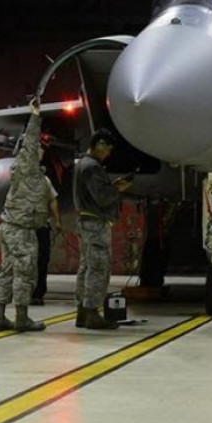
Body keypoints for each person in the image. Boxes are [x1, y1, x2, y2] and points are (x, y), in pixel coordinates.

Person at [0, 98, 55, 332]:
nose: (41, 151)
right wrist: (35, 116)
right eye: (39, 148)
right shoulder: (27, 167)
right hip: (21, 231)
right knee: (24, 274)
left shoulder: (35, 175)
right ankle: (22, 317)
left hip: (11, 228)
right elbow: (30, 142)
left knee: (7, 273)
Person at [73, 128, 132, 329]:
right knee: (98, 268)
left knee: (86, 267)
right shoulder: (92, 167)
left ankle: (82, 312)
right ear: (99, 145)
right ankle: (92, 313)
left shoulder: (83, 164)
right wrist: (117, 188)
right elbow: (103, 197)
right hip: (95, 224)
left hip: (85, 222)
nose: (108, 153)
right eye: (107, 149)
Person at [30, 167, 62, 306]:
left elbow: (52, 200)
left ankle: (38, 293)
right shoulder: (18, 179)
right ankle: (23, 294)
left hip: (41, 226)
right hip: (24, 228)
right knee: (25, 261)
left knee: (42, 260)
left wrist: (58, 221)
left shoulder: (44, 180)